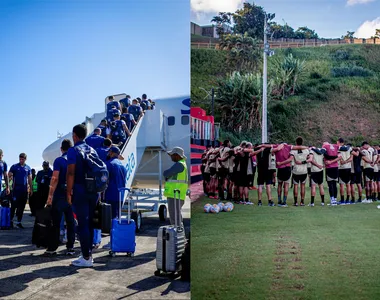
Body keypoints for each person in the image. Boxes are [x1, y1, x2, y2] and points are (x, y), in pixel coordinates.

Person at [67, 124, 99, 267]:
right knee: (90, 224)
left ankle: (86, 258)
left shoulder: (73, 151)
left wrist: (68, 192)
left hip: (80, 191)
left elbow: (71, 173)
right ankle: (88, 254)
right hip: (93, 192)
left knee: (82, 225)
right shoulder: (92, 150)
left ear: (74, 135)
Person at [44, 139, 76, 257]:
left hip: (60, 195)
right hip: (72, 196)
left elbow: (55, 178)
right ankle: (70, 247)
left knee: (56, 223)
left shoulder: (59, 160)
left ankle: (52, 248)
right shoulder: (76, 160)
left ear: (61, 149)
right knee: (71, 222)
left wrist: (50, 196)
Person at [163, 147, 188, 227]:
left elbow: (166, 173)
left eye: (172, 155)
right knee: (177, 217)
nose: (171, 157)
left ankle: (177, 235)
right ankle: (179, 235)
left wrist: (167, 175)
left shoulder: (179, 165)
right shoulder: (182, 164)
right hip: (177, 195)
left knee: (175, 218)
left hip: (175, 195)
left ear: (177, 155)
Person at [8, 153, 32, 228]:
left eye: (22, 159)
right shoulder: (14, 166)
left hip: (24, 190)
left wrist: (30, 188)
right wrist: (10, 176)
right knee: (13, 206)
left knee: (21, 207)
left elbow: (30, 178)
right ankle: (10, 221)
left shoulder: (28, 168)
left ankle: (19, 222)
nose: (21, 160)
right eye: (20, 159)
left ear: (25, 159)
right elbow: (9, 174)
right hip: (16, 190)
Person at [104, 146, 127, 220]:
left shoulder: (108, 164)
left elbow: (104, 179)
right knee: (117, 217)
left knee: (109, 218)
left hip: (110, 194)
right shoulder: (123, 166)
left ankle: (112, 231)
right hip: (120, 195)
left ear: (112, 153)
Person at [290, 137, 312, 207]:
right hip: (304, 171)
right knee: (303, 186)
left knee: (296, 186)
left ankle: (296, 202)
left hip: (296, 170)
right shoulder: (306, 150)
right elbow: (309, 158)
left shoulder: (293, 151)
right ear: (302, 142)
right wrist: (303, 161)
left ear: (296, 142)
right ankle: (302, 202)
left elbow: (291, 158)